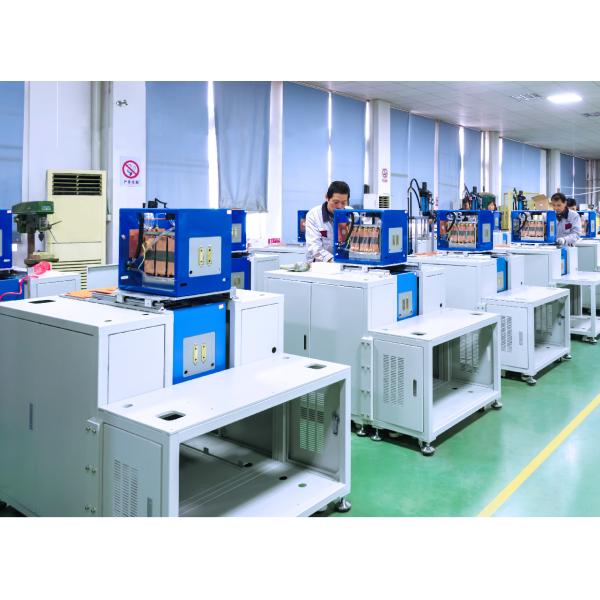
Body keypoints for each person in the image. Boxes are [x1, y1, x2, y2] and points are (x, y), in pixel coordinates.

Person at [305, 181, 351, 262]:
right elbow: (314, 247)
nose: (340, 206)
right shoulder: (314, 215)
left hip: (344, 262)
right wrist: (334, 261)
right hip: (320, 264)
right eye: (336, 202)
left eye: (343, 203)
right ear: (327, 197)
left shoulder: (351, 214)